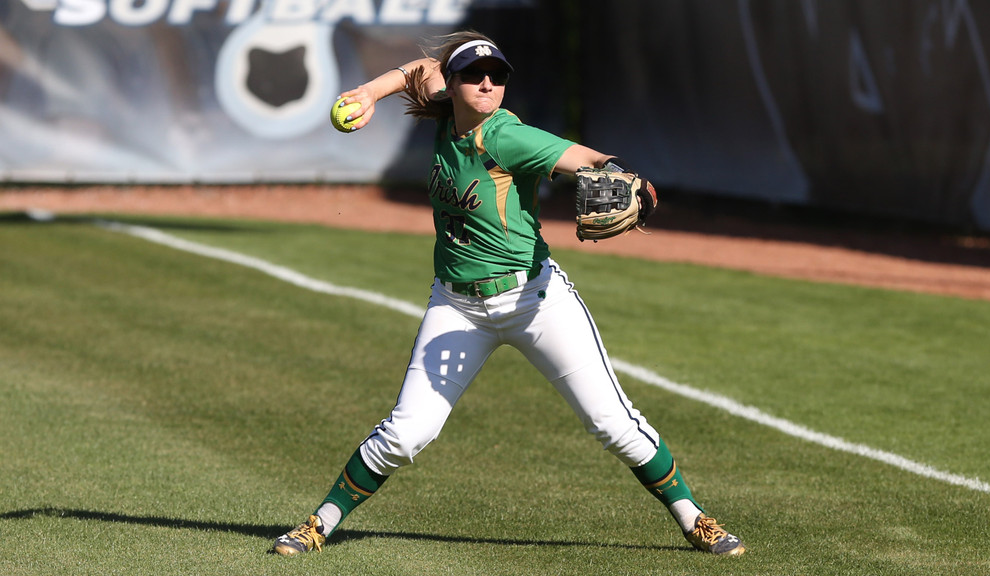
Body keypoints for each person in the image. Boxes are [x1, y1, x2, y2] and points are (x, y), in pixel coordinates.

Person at [272, 31, 745, 557]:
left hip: (534, 301)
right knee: (405, 434)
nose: (488, 84)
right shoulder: (446, 107)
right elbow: (416, 69)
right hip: (456, 304)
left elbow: (584, 158)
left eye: (497, 76)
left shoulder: (506, 137)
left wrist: (629, 181)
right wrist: (367, 92)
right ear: (452, 85)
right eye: (475, 74)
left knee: (612, 422)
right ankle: (319, 523)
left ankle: (695, 518)